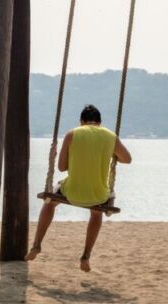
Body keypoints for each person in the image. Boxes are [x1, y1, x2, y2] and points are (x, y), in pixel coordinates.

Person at [26, 104, 132, 272]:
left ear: (82, 122)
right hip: (97, 195)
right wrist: (112, 153)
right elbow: (127, 159)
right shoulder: (111, 136)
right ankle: (86, 256)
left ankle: (37, 244)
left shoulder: (72, 134)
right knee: (97, 213)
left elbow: (61, 167)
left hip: (72, 192)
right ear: (100, 122)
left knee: (50, 202)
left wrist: (56, 154)